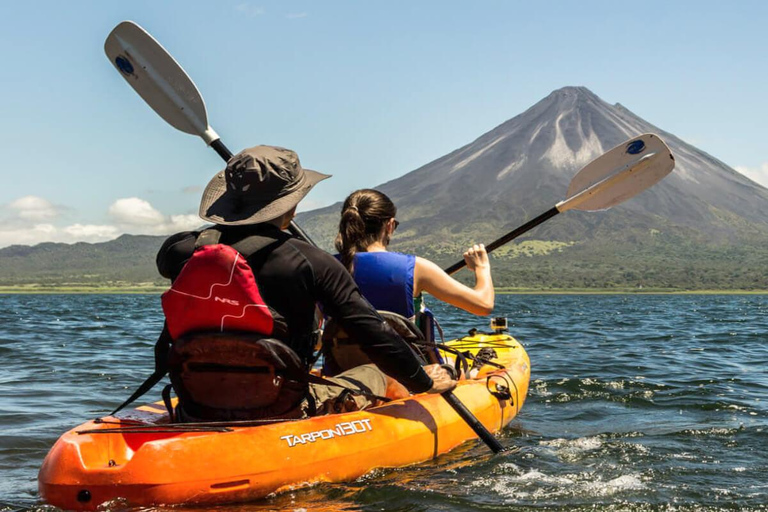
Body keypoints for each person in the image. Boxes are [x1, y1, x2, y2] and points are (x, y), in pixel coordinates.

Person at [151, 146, 456, 420]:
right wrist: (424, 380)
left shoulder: (180, 250)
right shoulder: (313, 262)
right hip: (282, 404)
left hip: (197, 400)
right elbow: (375, 336)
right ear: (292, 206)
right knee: (376, 371)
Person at [335, 189, 494, 321]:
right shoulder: (416, 268)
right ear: (389, 225)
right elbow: (483, 305)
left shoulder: (323, 268)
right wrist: (482, 268)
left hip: (340, 359)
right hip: (401, 359)